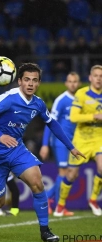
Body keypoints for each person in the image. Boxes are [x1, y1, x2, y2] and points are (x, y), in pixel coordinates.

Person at [0, 63, 85, 242]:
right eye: (27, 80)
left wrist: (71, 147)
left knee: (37, 183)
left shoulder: (38, 104)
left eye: (34, 80)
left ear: (38, 83)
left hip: (16, 150)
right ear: (19, 81)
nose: (30, 84)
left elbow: (52, 123)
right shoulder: (8, 98)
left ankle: (45, 230)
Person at [55, 65, 102, 217]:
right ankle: (61, 205)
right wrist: (93, 116)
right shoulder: (82, 94)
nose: (98, 79)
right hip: (81, 140)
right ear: (90, 78)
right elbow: (74, 117)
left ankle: (93, 200)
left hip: (99, 139)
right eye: (96, 76)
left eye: (101, 76)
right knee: (71, 175)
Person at [39, 72, 81, 216]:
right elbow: (49, 122)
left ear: (79, 83)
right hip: (60, 142)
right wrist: (45, 144)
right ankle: (58, 206)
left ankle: (48, 198)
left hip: (75, 143)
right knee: (63, 173)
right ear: (66, 83)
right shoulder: (61, 100)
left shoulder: (81, 99)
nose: (72, 84)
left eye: (75, 81)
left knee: (73, 175)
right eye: (70, 81)